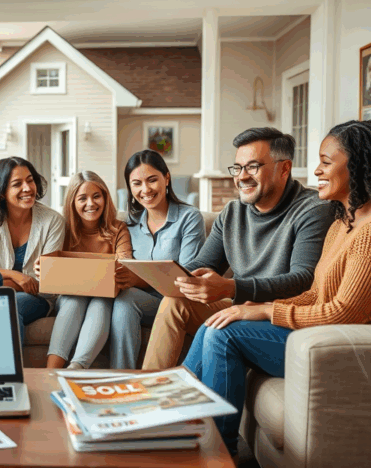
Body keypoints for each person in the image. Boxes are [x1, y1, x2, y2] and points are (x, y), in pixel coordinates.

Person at [182, 119, 371, 458]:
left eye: (326, 162)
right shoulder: (346, 222)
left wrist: (266, 309)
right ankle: (174, 414)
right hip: (327, 334)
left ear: (359, 164)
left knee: (226, 333)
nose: (316, 170)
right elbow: (316, 293)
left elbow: (345, 312)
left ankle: (214, 450)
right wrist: (248, 307)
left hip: (350, 347)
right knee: (220, 321)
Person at [142, 127, 335, 370]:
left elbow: (303, 280)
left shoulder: (313, 209)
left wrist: (231, 287)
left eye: (253, 167)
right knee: (174, 301)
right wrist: (157, 273)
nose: (241, 176)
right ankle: (149, 390)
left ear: (284, 169)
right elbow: (203, 265)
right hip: (240, 308)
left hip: (275, 315)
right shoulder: (232, 213)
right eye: (238, 168)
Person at [109, 150, 206, 369]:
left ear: (167, 178)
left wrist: (137, 280)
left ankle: (126, 376)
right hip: (141, 304)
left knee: (128, 299)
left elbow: (186, 277)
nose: (146, 190)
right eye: (137, 183)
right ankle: (123, 378)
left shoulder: (189, 218)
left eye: (152, 180)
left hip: (177, 305)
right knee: (124, 300)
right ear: (130, 188)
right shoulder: (128, 223)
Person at [0, 157, 64, 344]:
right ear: (2, 192)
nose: (28, 188)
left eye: (30, 180)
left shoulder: (53, 221)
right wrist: (17, 276)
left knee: (8, 306)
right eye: (17, 184)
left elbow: (45, 283)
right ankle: (8, 371)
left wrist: (3, 283)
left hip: (36, 299)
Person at [43, 171, 133, 369]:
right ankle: (51, 371)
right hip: (69, 298)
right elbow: (49, 261)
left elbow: (125, 262)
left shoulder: (118, 229)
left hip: (104, 298)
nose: (91, 204)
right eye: (82, 198)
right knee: (76, 299)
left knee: (101, 300)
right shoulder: (63, 229)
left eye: (96, 196)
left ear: (105, 198)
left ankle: (76, 368)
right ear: (72, 202)